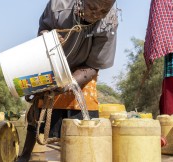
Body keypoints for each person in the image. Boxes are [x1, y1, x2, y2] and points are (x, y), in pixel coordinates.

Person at [17, 0, 118, 161]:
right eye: (92, 7)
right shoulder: (58, 4)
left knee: (82, 118)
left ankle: (81, 156)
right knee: (40, 107)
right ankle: (25, 156)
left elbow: (94, 65)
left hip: (83, 69)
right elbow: (43, 30)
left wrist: (69, 82)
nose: (96, 14)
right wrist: (47, 36)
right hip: (52, 61)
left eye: (103, 11)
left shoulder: (109, 22)